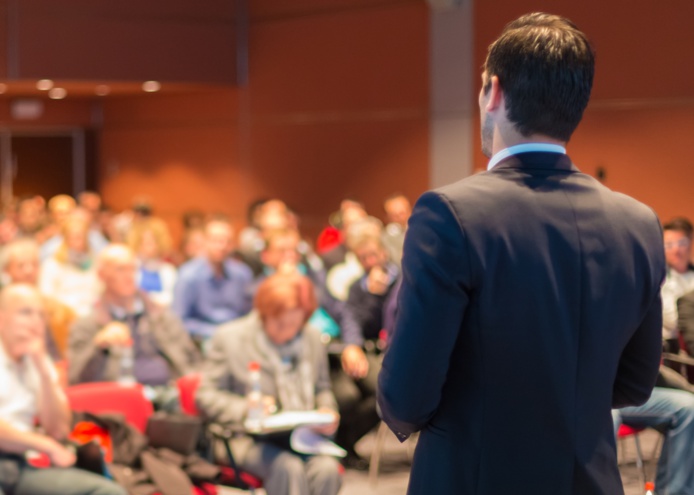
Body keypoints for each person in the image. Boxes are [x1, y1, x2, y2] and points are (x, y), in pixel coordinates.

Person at [378, 13, 665, 494]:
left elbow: (407, 395)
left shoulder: (449, 214)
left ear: (493, 90)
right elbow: (635, 382)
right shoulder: (637, 222)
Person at [196, 273, 342, 495]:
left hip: (300, 436)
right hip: (244, 437)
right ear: (264, 314)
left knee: (327, 469)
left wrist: (327, 412)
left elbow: (321, 389)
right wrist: (247, 408)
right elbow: (205, 395)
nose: (287, 331)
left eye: (295, 324)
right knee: (287, 468)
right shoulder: (229, 338)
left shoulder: (312, 338)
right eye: (279, 323)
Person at [0, 284, 126, 495]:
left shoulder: (37, 358)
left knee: (107, 492)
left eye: (41, 315)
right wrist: (46, 446)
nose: (36, 322)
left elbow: (58, 430)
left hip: (19, 465)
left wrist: (44, 371)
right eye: (25, 312)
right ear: (1, 318)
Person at [68, 244, 199, 409]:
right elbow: (75, 379)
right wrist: (98, 345)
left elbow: (191, 362)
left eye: (133, 269)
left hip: (167, 397)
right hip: (117, 405)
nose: (129, 276)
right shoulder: (88, 324)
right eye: (120, 270)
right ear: (102, 275)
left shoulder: (161, 316)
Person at [173, 218, 253, 342]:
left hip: (237, 337)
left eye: (227, 241)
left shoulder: (242, 274)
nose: (222, 246)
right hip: (202, 339)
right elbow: (180, 320)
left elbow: (248, 314)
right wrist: (218, 333)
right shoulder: (188, 275)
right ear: (204, 241)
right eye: (215, 240)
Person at [3, 239, 75, 359]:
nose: (29, 271)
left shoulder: (58, 310)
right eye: (21, 266)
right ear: (7, 270)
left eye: (34, 264)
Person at [38, 216, 100, 317]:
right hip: (65, 316)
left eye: (82, 236)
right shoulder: (52, 264)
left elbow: (100, 290)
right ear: (65, 238)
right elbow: (46, 295)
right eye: (73, 236)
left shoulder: (95, 261)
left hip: (93, 314)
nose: (78, 240)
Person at [661, 217, 694, 359]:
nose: (676, 250)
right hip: (670, 351)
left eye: (681, 243)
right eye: (669, 244)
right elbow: (673, 320)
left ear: (690, 242)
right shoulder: (658, 280)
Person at [127, 217, 177, 307]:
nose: (149, 244)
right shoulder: (130, 267)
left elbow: (172, 298)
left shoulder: (168, 270)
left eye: (153, 241)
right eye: (144, 241)